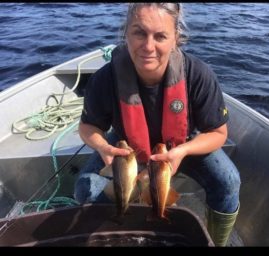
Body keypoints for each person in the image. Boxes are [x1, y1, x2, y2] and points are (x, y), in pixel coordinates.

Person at [74, 3, 241, 247]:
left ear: (176, 38)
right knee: (84, 190)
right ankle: (124, 231)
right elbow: (87, 128)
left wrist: (182, 151)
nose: (148, 46)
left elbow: (218, 133)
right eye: (139, 32)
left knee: (228, 181)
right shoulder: (105, 78)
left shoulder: (198, 75)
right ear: (126, 34)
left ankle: (216, 241)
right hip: (126, 148)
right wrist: (102, 146)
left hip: (182, 144)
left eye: (160, 36)